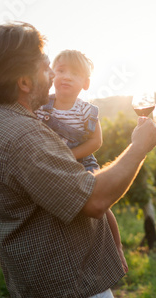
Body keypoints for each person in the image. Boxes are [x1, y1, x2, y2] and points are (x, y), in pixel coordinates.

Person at [0, 22, 156, 298]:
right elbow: (95, 199)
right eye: (46, 67)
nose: (53, 75)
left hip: (76, 289)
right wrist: (138, 148)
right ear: (25, 82)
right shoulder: (21, 135)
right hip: (71, 296)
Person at [35, 49, 127, 273]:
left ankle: (117, 246)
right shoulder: (40, 105)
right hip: (50, 165)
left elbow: (96, 141)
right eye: (61, 70)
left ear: (85, 83)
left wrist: (67, 157)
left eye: (74, 73)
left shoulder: (87, 111)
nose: (66, 76)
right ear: (50, 75)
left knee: (100, 203)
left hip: (81, 164)